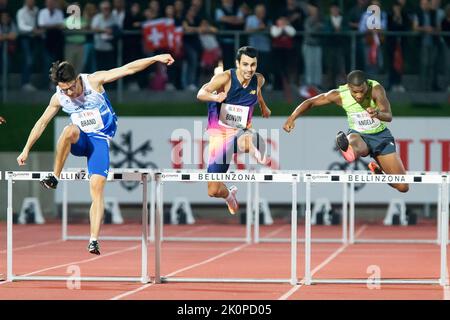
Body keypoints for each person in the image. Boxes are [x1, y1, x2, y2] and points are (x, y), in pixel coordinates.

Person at [17, 53, 175, 255]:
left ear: (77, 79)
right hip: (80, 139)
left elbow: (128, 68)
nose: (71, 93)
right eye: (65, 90)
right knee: (69, 130)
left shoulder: (94, 81)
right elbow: (41, 123)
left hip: (99, 140)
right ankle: (54, 176)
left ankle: (93, 239)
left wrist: (155, 58)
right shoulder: (59, 97)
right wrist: (26, 149)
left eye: (72, 87)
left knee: (97, 188)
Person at [283, 70, 409, 193]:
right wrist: (292, 118)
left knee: (403, 187)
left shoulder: (376, 89)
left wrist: (377, 113)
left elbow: (388, 115)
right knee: (354, 146)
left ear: (367, 85)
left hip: (380, 137)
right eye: (355, 92)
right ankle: (348, 150)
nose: (359, 96)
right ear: (348, 87)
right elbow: (311, 102)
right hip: (358, 135)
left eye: (362, 91)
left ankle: (378, 172)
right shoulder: (340, 94)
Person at [197, 46, 271, 214]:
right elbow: (200, 93)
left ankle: (252, 148)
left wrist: (263, 106)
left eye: (253, 65)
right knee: (213, 190)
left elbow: (257, 92)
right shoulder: (224, 78)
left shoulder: (259, 79)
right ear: (238, 64)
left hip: (241, 131)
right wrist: (216, 97)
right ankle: (229, 196)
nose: (249, 69)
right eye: (245, 64)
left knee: (245, 138)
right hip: (220, 134)